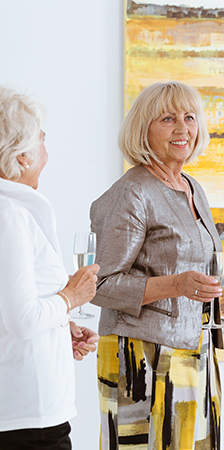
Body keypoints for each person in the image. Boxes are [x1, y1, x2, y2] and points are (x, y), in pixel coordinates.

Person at [91, 81, 224, 449]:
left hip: (195, 348)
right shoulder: (132, 192)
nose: (183, 129)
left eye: (189, 117)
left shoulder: (193, 187)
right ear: (143, 130)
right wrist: (176, 285)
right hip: (141, 356)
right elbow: (100, 286)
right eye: (168, 119)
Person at [0, 86, 100, 450]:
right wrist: (72, 296)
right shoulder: (10, 215)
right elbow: (23, 319)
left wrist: (62, 326)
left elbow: (11, 307)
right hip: (30, 418)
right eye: (42, 140)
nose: (47, 152)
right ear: (22, 156)